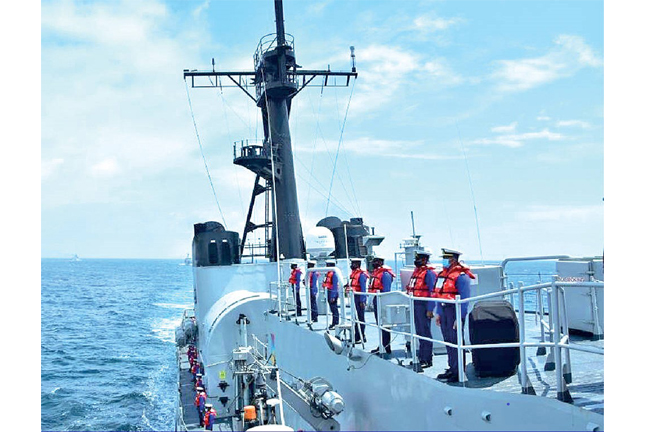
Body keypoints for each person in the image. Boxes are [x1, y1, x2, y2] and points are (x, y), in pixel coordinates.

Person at [432, 248, 475, 383]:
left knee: (456, 341)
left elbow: (464, 299)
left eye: (446, 258)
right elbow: (439, 295)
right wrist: (438, 313)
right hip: (444, 311)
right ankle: (452, 368)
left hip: (454, 311)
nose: (444, 261)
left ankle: (458, 371)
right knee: (448, 340)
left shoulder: (462, 277)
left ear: (453, 259)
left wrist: (459, 317)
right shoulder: (442, 275)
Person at [405, 251, 437, 368]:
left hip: (423, 305)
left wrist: (430, 309)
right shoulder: (418, 272)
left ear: (424, 260)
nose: (416, 261)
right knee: (419, 331)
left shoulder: (429, 273)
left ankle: (427, 359)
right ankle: (422, 356)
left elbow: (432, 292)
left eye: (419, 259)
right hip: (416, 304)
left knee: (425, 331)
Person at [367, 255, 395, 354]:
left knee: (384, 324)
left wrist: (383, 302)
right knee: (380, 324)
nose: (373, 263)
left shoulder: (385, 274)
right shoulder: (377, 273)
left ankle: (386, 346)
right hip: (377, 300)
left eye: (375, 261)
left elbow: (386, 291)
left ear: (380, 262)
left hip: (383, 301)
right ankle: (383, 344)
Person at [345, 258, 368, 343]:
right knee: (356, 318)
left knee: (360, 318)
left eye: (353, 263)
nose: (352, 265)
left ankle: (361, 336)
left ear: (358, 264)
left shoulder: (361, 275)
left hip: (359, 298)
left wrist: (362, 300)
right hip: (354, 297)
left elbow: (363, 288)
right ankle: (357, 336)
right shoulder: (354, 274)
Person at [322, 259, 341, 329]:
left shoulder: (334, 274)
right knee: (332, 309)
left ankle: (336, 323)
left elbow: (335, 286)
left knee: (334, 309)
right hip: (328, 292)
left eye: (327, 265)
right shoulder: (328, 273)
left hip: (332, 293)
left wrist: (333, 296)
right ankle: (334, 322)